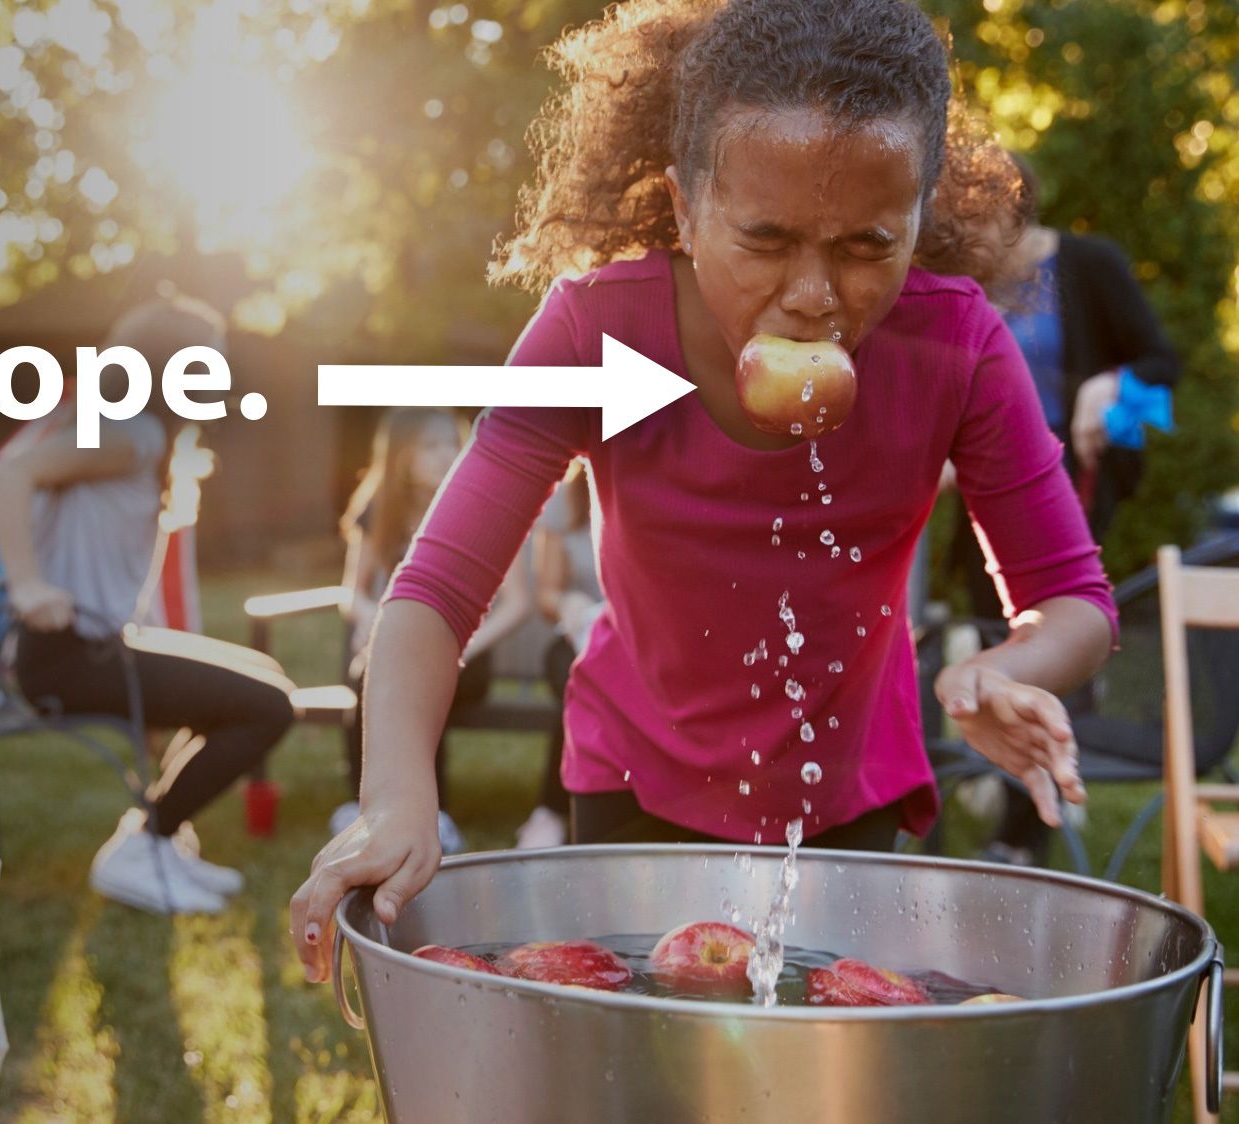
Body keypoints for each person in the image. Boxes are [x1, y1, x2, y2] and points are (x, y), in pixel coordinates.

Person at [291, 0, 1119, 977]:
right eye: (765, 239)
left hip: (851, 800)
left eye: (865, 245)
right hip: (633, 788)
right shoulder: (594, 329)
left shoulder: (960, 343)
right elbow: (434, 589)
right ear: (686, 207)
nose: (814, 292)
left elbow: (1075, 600)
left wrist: (1005, 671)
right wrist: (396, 790)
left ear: (922, 207)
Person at [0, 296, 295, 915]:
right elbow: (9, 475)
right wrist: (25, 586)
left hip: (99, 646)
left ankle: (154, 841)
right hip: (68, 654)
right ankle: (145, 843)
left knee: (259, 684)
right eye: (210, 359)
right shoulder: (131, 432)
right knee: (268, 707)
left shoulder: (138, 434)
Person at [957, 151, 1183, 867]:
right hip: (977, 497)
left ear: (1019, 208)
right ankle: (1014, 801)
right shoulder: (962, 284)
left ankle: (1022, 835)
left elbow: (1160, 359)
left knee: (1049, 646)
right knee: (994, 645)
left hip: (1069, 491)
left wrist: (1105, 385)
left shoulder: (1088, 265)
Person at [332, 406, 533, 855]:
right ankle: (363, 807)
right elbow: (353, 592)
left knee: (413, 673)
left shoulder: (486, 505)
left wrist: (459, 646)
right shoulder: (378, 508)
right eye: (430, 444)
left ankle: (429, 813)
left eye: (451, 441)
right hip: (390, 647)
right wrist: (367, 616)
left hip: (465, 653)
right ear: (401, 455)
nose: (446, 453)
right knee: (376, 665)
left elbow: (518, 602)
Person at [514, 461, 603, 849]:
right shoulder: (566, 502)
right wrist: (569, 602)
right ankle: (552, 810)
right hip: (577, 634)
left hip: (640, 638)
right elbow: (547, 594)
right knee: (580, 679)